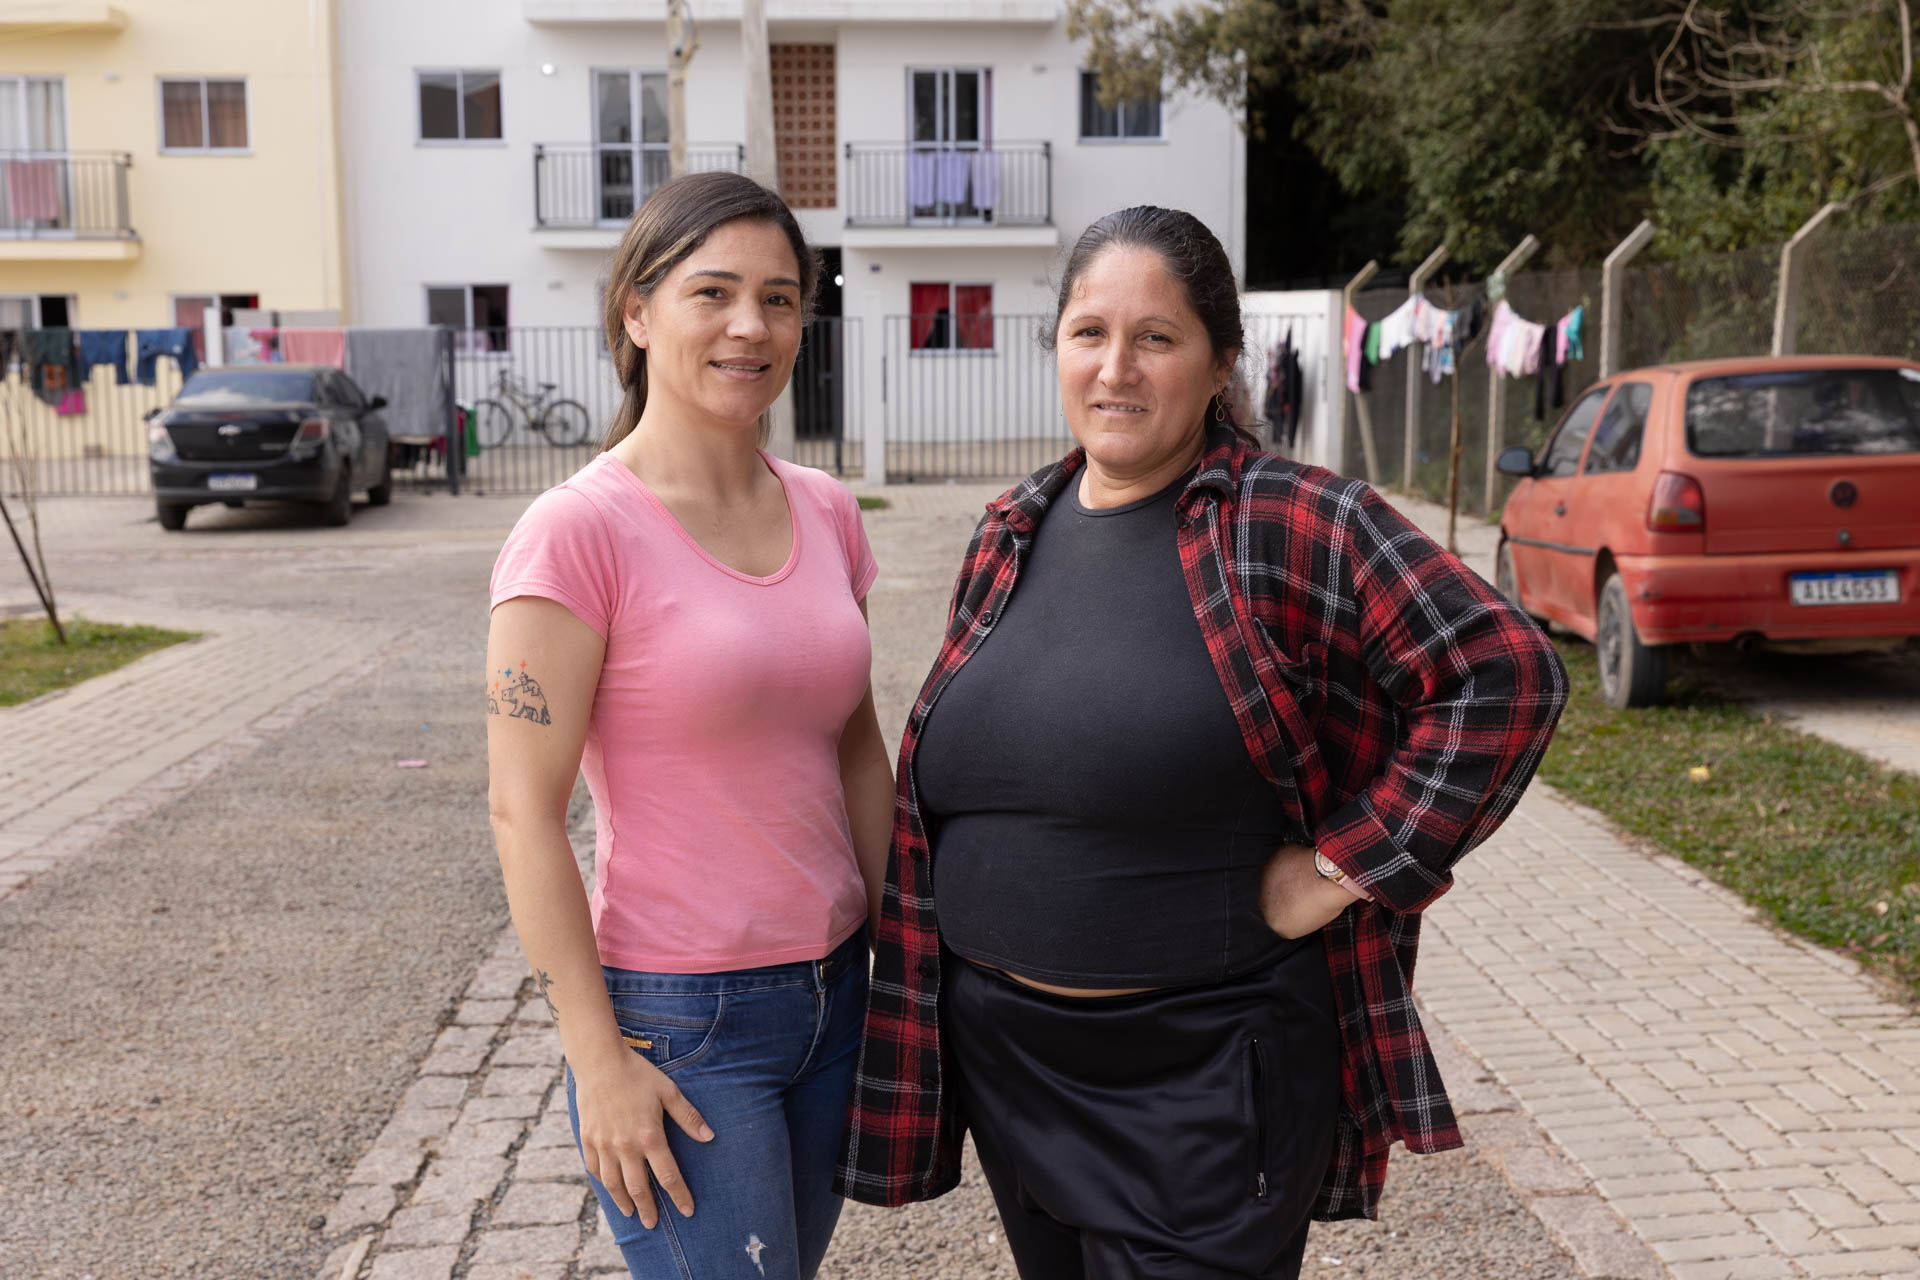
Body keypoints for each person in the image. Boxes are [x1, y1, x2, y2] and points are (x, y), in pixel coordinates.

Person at [837, 206, 1569, 1278]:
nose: (1116, 368)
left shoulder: (1294, 520)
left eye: (1158, 337)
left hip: (1203, 1082)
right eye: (1088, 332)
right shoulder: (1011, 528)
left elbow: (1506, 673)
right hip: (1012, 1063)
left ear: (1222, 359)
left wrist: (1337, 868)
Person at [486, 171, 893, 1280]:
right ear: (636, 311)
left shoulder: (826, 508)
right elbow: (524, 809)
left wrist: (907, 948)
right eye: (712, 292)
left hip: (835, 991)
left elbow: (854, 745)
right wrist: (595, 1055)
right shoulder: (576, 532)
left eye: (779, 297)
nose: (750, 326)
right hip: (683, 1019)